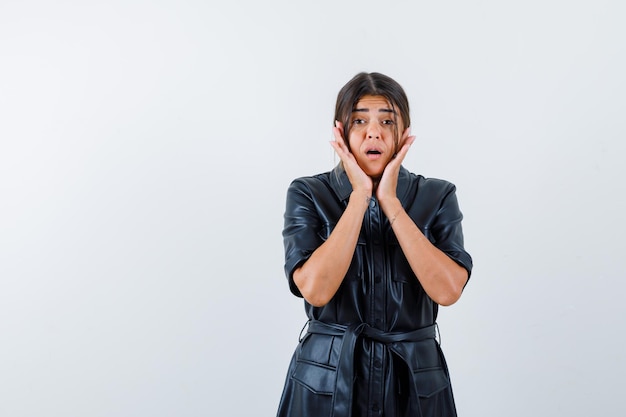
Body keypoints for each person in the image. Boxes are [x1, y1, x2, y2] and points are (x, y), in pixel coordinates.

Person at [276, 72, 473, 417]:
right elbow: (316, 291)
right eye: (359, 121)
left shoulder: (438, 196)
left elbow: (448, 291)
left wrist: (391, 203)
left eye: (387, 121)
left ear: (405, 132)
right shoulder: (308, 193)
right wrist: (359, 198)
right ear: (340, 131)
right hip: (326, 382)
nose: (374, 132)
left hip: (414, 383)